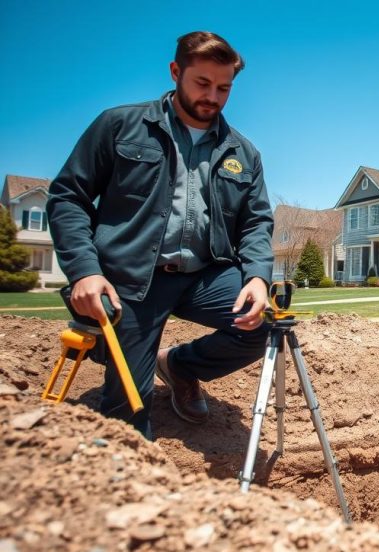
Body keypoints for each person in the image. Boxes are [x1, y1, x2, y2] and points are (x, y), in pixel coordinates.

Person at [47, 31, 273, 439]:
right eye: (202, 83)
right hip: (132, 279)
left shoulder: (243, 152)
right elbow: (68, 197)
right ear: (175, 72)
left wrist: (257, 275)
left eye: (224, 88)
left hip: (204, 276)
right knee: (127, 418)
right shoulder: (119, 125)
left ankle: (180, 365)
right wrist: (83, 271)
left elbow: (256, 221)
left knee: (264, 325)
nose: (213, 97)